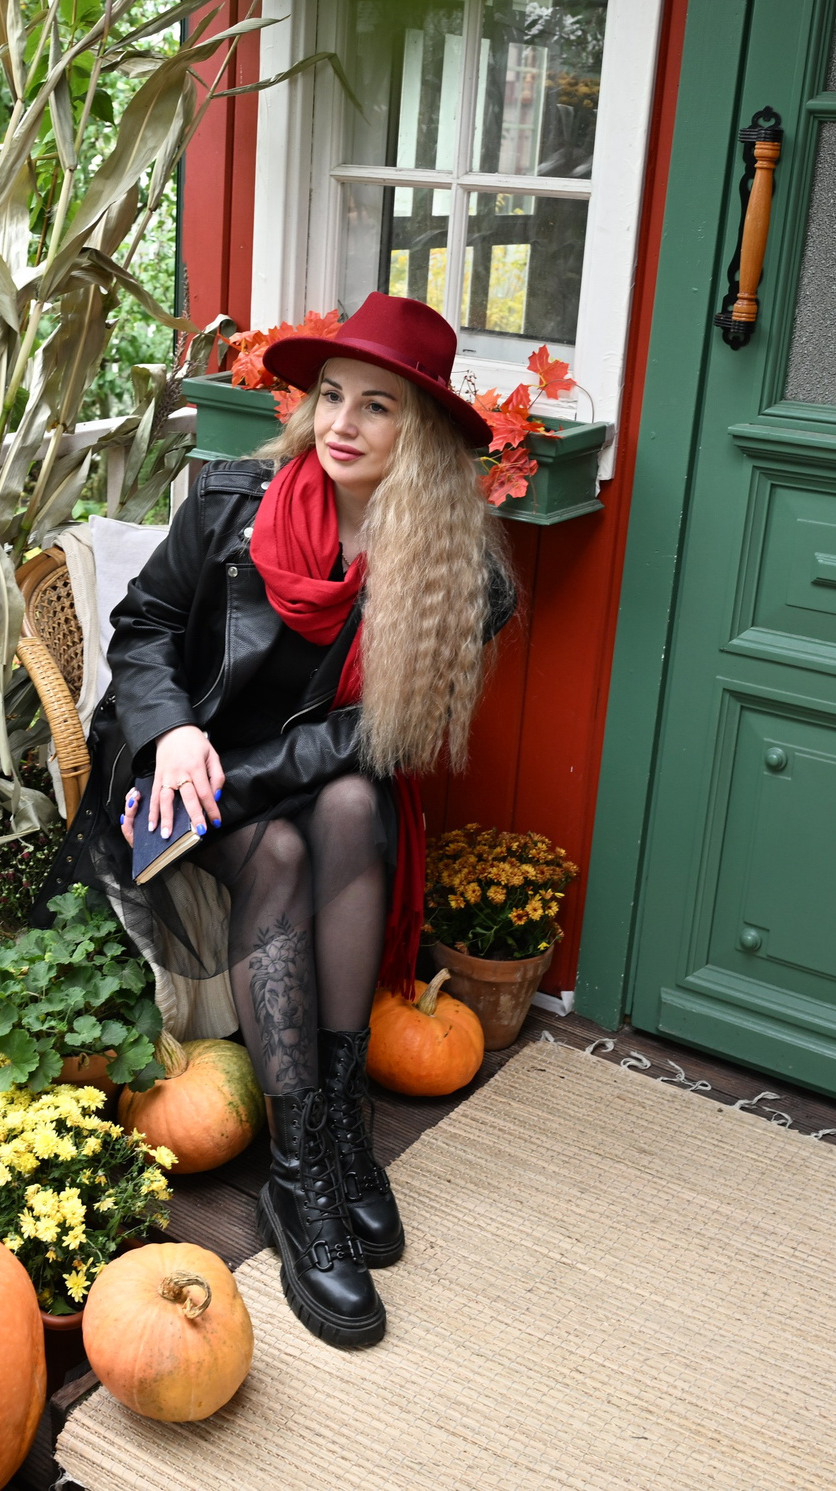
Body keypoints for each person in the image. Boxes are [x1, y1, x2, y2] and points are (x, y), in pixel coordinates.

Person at [68, 292, 516, 1348]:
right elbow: (144, 629)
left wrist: (244, 771)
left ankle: (329, 1123)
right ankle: (302, 1166)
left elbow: (378, 740)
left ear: (427, 440)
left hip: (285, 776)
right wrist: (175, 733)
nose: (342, 425)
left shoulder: (462, 577)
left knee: (356, 800)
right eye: (328, 397)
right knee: (278, 841)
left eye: (378, 407)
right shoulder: (232, 505)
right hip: (175, 780)